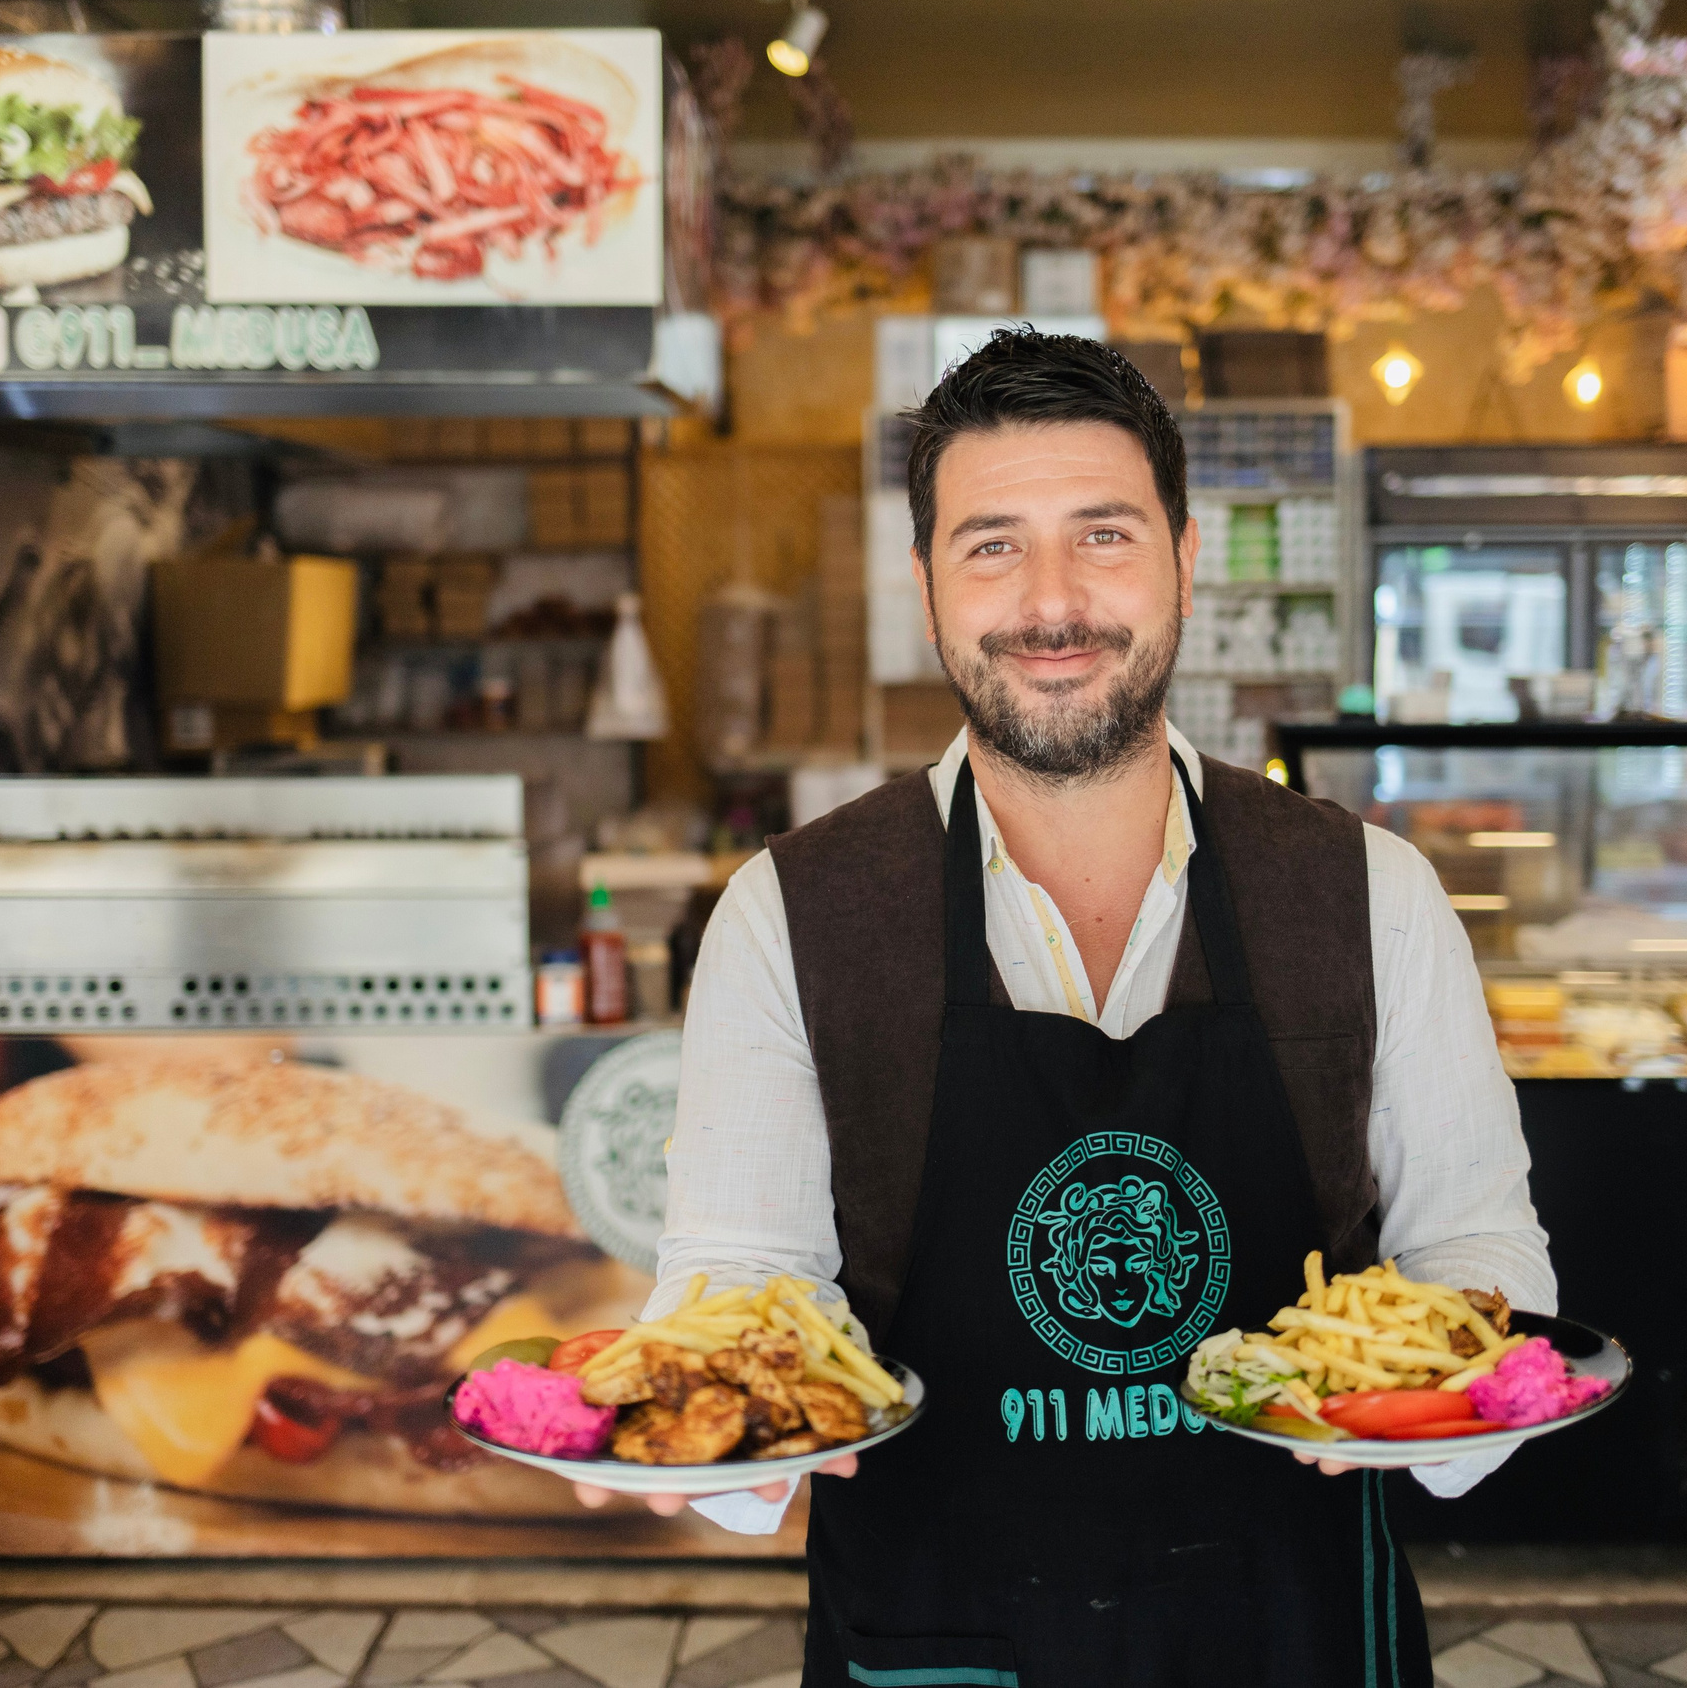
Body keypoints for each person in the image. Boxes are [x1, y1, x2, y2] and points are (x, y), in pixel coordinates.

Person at [587, 329, 1553, 1686]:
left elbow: (1477, 1249)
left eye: (1103, 535)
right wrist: (698, 1428)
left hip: (1293, 1636)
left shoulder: (1370, 896)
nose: (1052, 603)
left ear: (1185, 561)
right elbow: (743, 1279)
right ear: (925, 588)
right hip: (942, 1645)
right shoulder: (789, 912)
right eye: (991, 546)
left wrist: (1448, 1405)